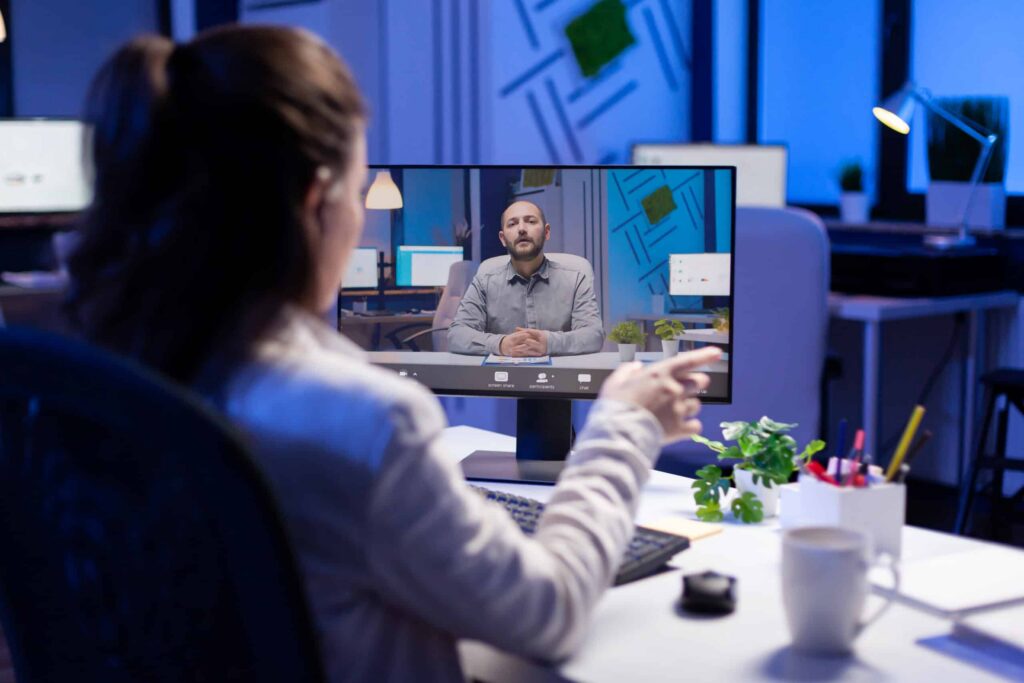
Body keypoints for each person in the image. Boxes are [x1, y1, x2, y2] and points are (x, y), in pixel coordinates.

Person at [67, 26, 721, 683]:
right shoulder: (371, 422)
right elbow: (544, 610)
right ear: (316, 202)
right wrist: (625, 426)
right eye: (357, 192)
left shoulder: (102, 371)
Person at [447, 200, 604, 356]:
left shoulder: (575, 279)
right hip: (502, 377)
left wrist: (550, 343)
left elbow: (593, 335)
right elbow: (457, 335)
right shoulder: (484, 281)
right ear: (502, 238)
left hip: (560, 377)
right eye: (512, 224)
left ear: (546, 232)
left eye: (530, 221)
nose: (521, 229)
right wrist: (500, 345)